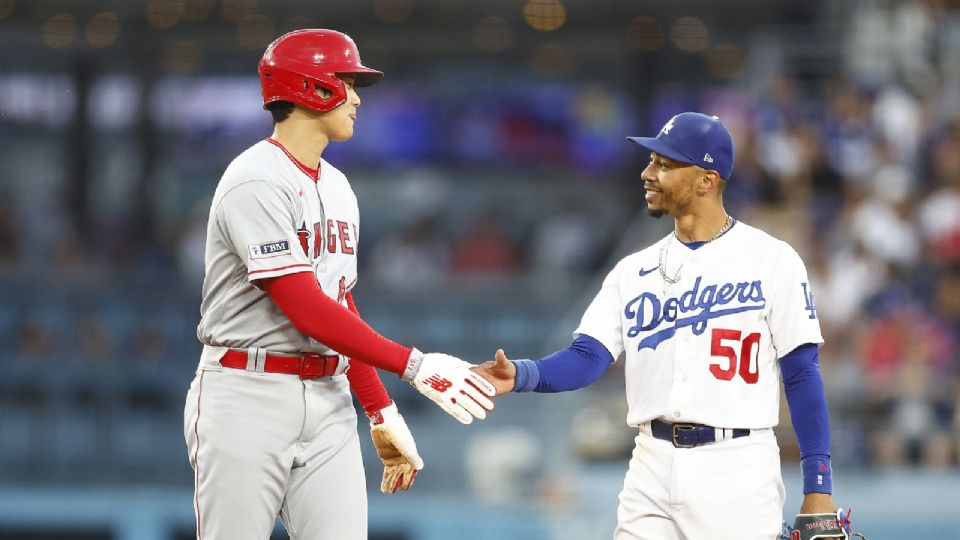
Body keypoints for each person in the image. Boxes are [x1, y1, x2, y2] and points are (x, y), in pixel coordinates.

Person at [474, 112, 857, 539]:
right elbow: (587, 357)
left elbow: (802, 373)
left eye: (664, 164)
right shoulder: (632, 270)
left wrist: (818, 484)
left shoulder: (772, 259)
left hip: (737, 466)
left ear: (706, 180)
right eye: (651, 161)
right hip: (650, 462)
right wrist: (523, 373)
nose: (647, 173)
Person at [183, 29, 495, 540]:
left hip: (328, 397)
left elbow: (339, 301)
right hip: (247, 391)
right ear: (311, 88)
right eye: (346, 82)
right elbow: (304, 307)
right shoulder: (256, 178)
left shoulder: (337, 184)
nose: (355, 98)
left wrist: (379, 407)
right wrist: (413, 366)